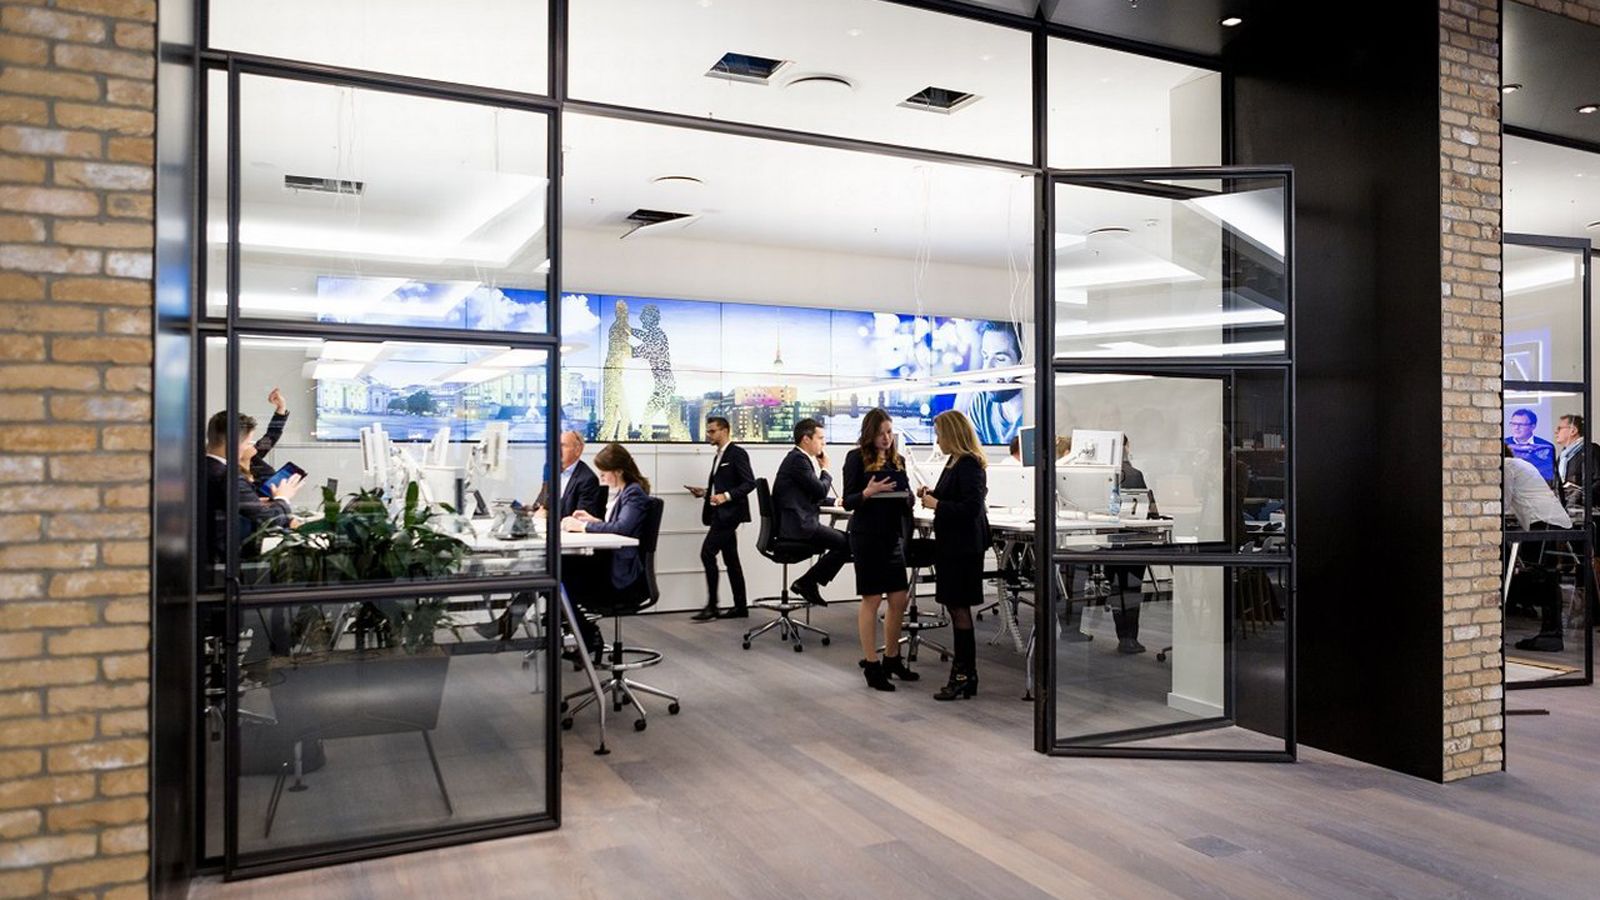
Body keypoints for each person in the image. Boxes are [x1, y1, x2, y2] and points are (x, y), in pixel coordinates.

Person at [843, 409, 918, 691]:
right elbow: (848, 501)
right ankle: (871, 664)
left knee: (899, 597)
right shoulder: (855, 459)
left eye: (889, 432)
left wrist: (908, 496)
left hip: (891, 536)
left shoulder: (897, 461)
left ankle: (892, 658)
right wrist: (868, 492)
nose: (887, 438)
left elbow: (906, 496)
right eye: (881, 433)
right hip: (867, 536)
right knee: (872, 599)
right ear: (869, 434)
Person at [918, 410, 989, 701]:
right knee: (955, 607)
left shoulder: (969, 464)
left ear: (952, 434)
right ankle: (965, 674)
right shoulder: (954, 461)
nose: (937, 440)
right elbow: (956, 497)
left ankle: (963, 675)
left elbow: (971, 508)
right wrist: (933, 494)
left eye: (939, 434)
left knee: (960, 609)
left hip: (963, 548)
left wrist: (937, 505)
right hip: (952, 546)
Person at [560, 443, 652, 658]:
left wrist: (584, 526)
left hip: (622, 575)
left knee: (561, 576)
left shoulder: (634, 494)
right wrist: (594, 520)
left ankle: (587, 634)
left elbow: (622, 529)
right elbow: (618, 524)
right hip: (613, 564)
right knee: (561, 573)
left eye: (604, 472)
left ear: (618, 471)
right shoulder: (623, 493)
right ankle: (585, 634)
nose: (601, 476)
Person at [203, 411, 304, 571]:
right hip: (227, 565)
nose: (251, 448)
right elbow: (268, 520)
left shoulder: (203, 467)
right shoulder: (227, 477)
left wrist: (256, 503)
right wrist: (283, 498)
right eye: (248, 442)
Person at [773, 417, 851, 607]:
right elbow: (819, 490)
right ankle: (807, 582)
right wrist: (825, 469)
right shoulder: (798, 460)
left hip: (797, 523)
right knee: (849, 543)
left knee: (847, 542)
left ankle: (808, 582)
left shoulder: (797, 459)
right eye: (820, 438)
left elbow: (811, 494)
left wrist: (837, 501)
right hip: (799, 526)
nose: (823, 443)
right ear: (806, 439)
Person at [1503, 445, 1573, 653]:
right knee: (1548, 578)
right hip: (1550, 520)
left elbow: (1503, 503)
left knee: (1543, 578)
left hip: (1542, 522)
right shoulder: (1521, 464)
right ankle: (1551, 633)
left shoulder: (1506, 466)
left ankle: (1550, 635)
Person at [689, 416, 755, 621]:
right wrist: (707, 493)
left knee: (707, 553)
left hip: (730, 514)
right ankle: (740, 606)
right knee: (731, 560)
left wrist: (724, 497)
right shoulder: (718, 455)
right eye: (708, 431)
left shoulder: (737, 454)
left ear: (725, 431)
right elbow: (724, 484)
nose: (709, 435)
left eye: (712, 431)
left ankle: (712, 606)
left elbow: (749, 483)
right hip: (720, 512)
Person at [1106, 434, 1159, 654]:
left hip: (1109, 543)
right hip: (1135, 541)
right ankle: (1130, 638)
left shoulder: (1104, 476)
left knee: (1117, 588)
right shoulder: (1135, 474)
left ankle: (1123, 637)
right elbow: (1150, 511)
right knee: (1132, 589)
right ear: (1126, 447)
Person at [955, 320, 1025, 446]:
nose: (987, 368)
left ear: (1023, 361)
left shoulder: (1040, 411)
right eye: (985, 357)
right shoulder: (981, 403)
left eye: (1000, 359)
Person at [534, 431, 606, 520]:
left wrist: (547, 516)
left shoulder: (587, 479)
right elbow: (540, 503)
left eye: (563, 445)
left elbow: (581, 518)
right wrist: (534, 511)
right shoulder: (551, 470)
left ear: (578, 450)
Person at [1553, 414, 1599, 509]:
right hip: (1567, 510)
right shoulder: (1562, 456)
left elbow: (1598, 480)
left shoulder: (1591, 450)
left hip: (1588, 511)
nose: (1556, 432)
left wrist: (1580, 494)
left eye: (1559, 428)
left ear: (1573, 430)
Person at [248, 387, 290, 485]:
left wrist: (281, 408)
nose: (252, 444)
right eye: (247, 442)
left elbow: (271, 436)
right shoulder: (229, 473)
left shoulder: (252, 458)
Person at [1505, 408, 1556, 483]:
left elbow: (1549, 475)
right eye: (1513, 424)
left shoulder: (1545, 447)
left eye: (1521, 424)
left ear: (1533, 426)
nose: (1516, 428)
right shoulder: (1503, 445)